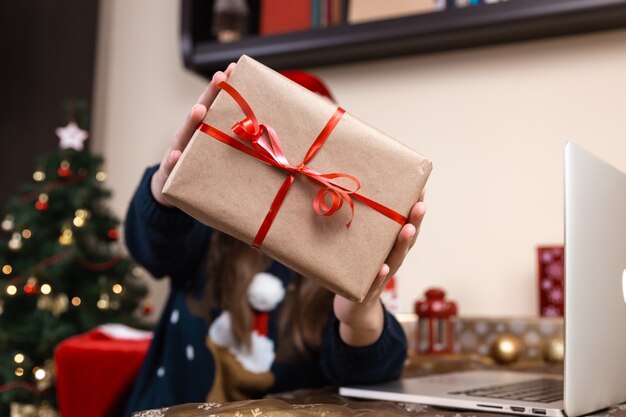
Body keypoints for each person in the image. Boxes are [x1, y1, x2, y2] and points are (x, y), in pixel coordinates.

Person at [123, 63, 426, 415]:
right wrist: (165, 190)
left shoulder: (341, 260)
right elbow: (153, 247)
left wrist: (359, 316)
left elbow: (370, 380)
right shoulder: (205, 230)